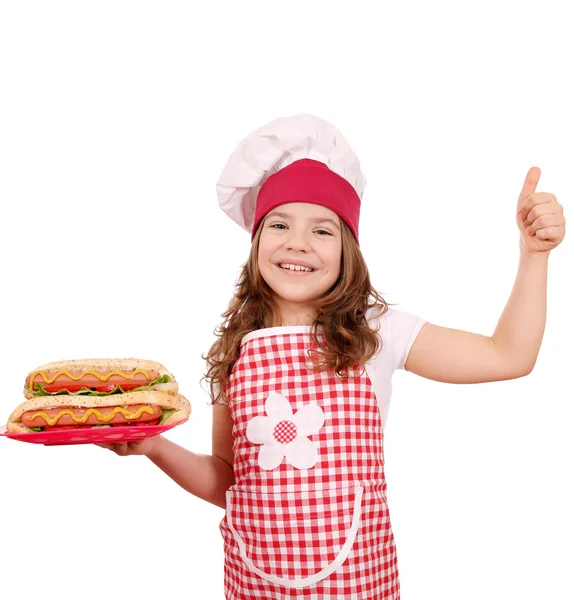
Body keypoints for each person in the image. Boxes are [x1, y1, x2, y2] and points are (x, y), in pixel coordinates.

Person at [98, 114, 566, 599]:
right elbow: (226, 483)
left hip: (358, 583)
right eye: (279, 223)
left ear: (348, 250)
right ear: (257, 241)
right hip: (256, 584)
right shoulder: (235, 349)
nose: (297, 241)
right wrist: (153, 447)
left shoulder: (376, 332)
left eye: (322, 230)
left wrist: (534, 256)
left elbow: (508, 355)